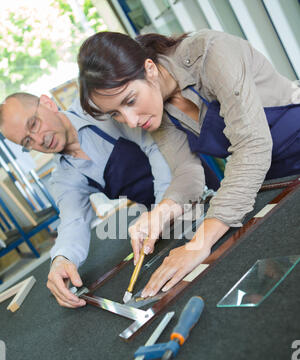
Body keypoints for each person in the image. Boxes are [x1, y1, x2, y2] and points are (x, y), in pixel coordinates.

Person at [77, 29, 300, 298]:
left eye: (130, 101)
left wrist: (199, 244)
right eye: (116, 113)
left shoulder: (212, 53)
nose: (131, 121)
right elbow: (187, 171)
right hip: (272, 182)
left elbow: (252, 146)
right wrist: (161, 212)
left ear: (149, 69)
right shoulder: (157, 109)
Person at [0, 92, 204, 307]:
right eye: (28, 141)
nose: (39, 139)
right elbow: (73, 221)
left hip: (189, 186)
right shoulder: (63, 176)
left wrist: (163, 209)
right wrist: (62, 259)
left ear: (48, 103)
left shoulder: (96, 106)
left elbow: (155, 146)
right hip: (156, 226)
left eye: (34, 124)